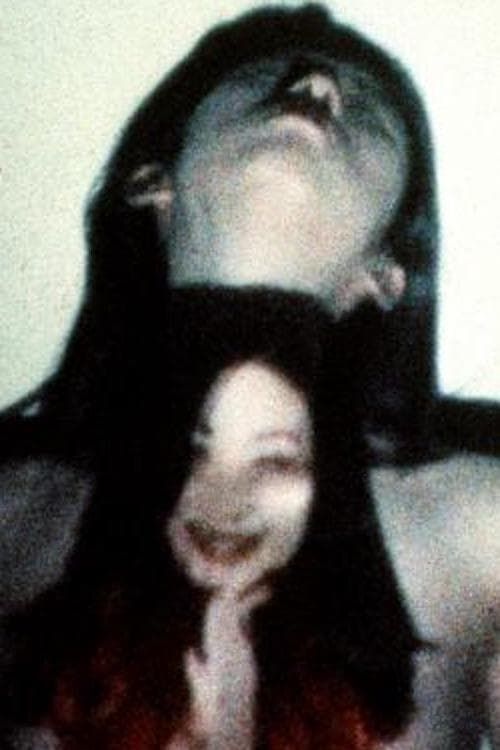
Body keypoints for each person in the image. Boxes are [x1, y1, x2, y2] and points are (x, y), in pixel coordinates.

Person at [1, 4, 498, 747]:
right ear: (152, 185)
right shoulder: (8, 512)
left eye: (370, 112)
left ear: (385, 274)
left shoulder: (485, 529)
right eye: (265, 79)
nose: (319, 87)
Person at [1, 290, 419, 749]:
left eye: (274, 461)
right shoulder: (70, 668)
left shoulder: (354, 692)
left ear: (325, 484)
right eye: (195, 453)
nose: (226, 502)